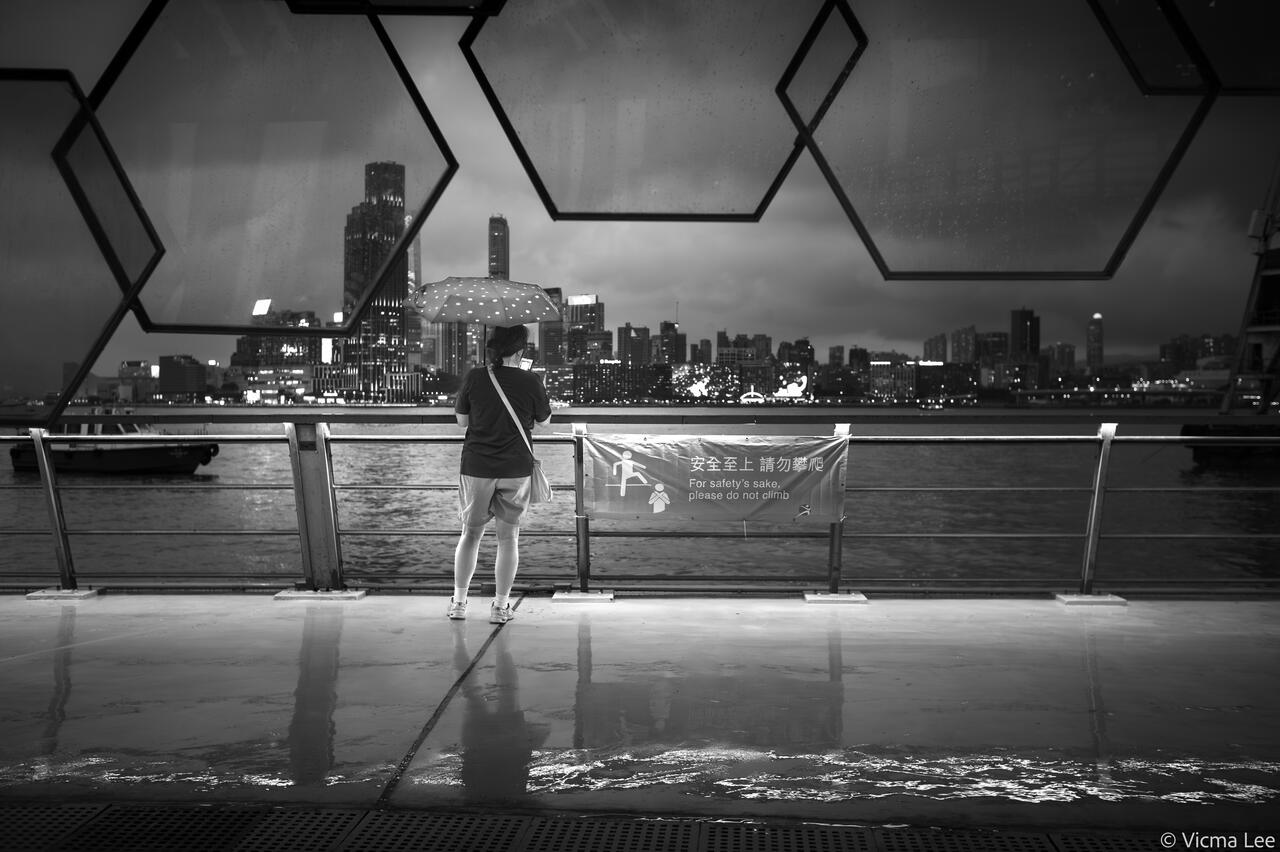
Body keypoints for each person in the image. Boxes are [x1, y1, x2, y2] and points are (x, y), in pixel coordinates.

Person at [449, 324, 552, 624]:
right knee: (508, 539)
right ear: (520, 351)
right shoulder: (531, 380)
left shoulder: (475, 376)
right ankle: (500, 607)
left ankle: (459, 604)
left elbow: (461, 421)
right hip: (515, 468)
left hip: (477, 467)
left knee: (470, 535)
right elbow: (544, 421)